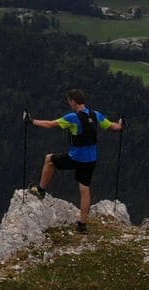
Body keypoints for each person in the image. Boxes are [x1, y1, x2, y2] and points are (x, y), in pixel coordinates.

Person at [25, 89, 123, 232]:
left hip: (76, 157)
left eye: (69, 102)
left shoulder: (72, 117)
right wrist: (120, 125)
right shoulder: (95, 115)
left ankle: (40, 189)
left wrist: (31, 121)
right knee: (85, 190)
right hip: (91, 159)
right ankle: (82, 225)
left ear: (73, 102)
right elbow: (112, 126)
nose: (69, 104)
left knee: (49, 159)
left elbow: (49, 124)